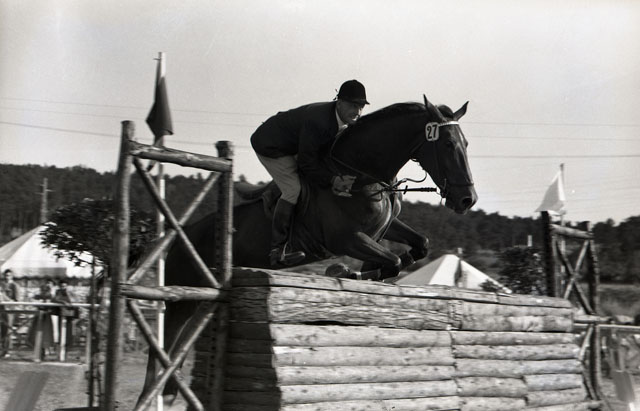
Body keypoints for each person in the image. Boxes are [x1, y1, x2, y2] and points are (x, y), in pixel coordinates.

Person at [251, 79, 369, 266]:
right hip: (270, 145)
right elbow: (306, 163)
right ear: (339, 103)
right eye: (353, 105)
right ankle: (277, 250)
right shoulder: (319, 121)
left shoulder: (343, 120)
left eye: (361, 106)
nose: (358, 111)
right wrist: (333, 180)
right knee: (293, 190)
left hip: (293, 143)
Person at [1, 269, 20, 357]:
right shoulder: (2, 285)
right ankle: (3, 349)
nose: (7, 277)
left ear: (12, 276)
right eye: (5, 275)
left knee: (8, 330)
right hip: (2, 309)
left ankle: (7, 350)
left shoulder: (14, 286)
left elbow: (17, 300)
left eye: (8, 275)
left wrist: (6, 298)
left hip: (10, 310)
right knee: (3, 330)